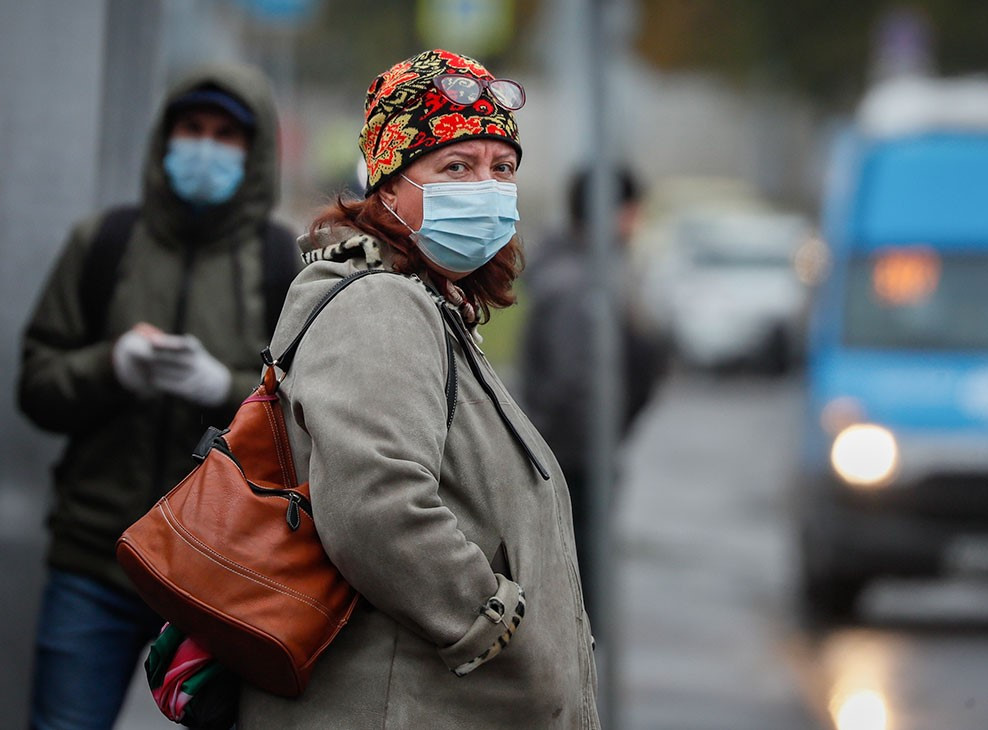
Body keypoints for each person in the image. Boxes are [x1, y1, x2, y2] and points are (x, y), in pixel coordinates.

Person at [236, 49, 599, 729]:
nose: (487, 188)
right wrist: (494, 629)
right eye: (456, 166)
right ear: (388, 188)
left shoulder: (433, 309)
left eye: (503, 168)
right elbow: (377, 507)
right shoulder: (382, 307)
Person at [17, 63, 294, 730]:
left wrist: (221, 389)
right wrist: (111, 366)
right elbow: (37, 387)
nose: (206, 146)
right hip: (96, 558)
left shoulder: (283, 259)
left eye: (227, 134)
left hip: (225, 575)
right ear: (164, 138)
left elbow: (307, 412)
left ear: (254, 154)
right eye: (191, 128)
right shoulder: (104, 242)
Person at [519, 168, 668, 614]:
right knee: (578, 594)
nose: (635, 225)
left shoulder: (590, 272)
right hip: (576, 464)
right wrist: (596, 447)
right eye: (630, 213)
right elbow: (574, 385)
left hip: (583, 459)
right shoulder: (578, 285)